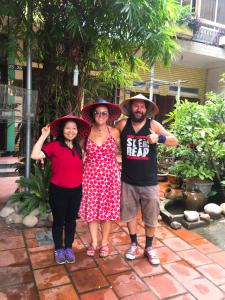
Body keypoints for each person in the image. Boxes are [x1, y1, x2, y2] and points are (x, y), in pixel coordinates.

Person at [116, 94, 178, 265]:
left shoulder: (153, 125)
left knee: (151, 216)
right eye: (136, 106)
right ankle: (134, 243)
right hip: (127, 180)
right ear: (130, 108)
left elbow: (175, 140)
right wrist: (117, 156)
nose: (139, 109)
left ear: (147, 109)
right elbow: (113, 142)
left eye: (142, 107)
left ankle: (149, 247)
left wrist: (160, 138)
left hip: (149, 182)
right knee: (129, 215)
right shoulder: (122, 125)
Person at [31, 115, 90, 264]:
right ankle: (58, 248)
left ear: (77, 131)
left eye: (74, 128)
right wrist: (44, 136)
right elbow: (34, 155)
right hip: (58, 191)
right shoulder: (54, 146)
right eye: (67, 128)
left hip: (76, 191)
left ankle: (68, 248)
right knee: (58, 221)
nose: (71, 131)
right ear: (62, 130)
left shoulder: (79, 148)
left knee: (71, 221)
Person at [79, 99, 121, 257]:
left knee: (107, 212)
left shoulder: (115, 132)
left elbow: (123, 151)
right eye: (97, 112)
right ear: (93, 115)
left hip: (109, 177)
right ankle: (94, 242)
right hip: (90, 175)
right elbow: (78, 151)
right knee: (92, 210)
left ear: (109, 116)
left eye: (104, 113)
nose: (101, 115)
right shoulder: (86, 132)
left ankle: (104, 243)